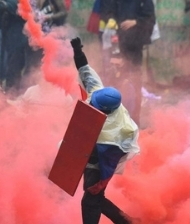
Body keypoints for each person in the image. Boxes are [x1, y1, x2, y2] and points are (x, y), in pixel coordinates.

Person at [71, 37, 140, 224]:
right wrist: (78, 50)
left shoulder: (120, 131)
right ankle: (127, 221)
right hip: (92, 147)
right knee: (95, 198)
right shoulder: (97, 92)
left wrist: (101, 182)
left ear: (105, 112)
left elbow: (111, 161)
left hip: (102, 159)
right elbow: (85, 70)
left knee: (91, 198)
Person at [99, 0, 156, 125]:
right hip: (116, 43)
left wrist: (136, 22)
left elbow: (150, 18)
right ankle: (114, 119)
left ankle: (134, 120)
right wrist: (111, 20)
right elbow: (106, 11)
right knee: (114, 80)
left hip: (135, 45)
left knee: (134, 81)